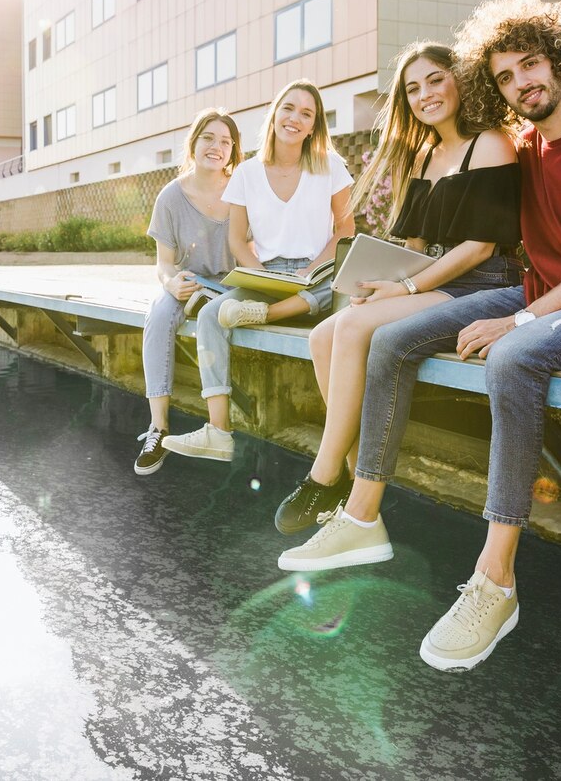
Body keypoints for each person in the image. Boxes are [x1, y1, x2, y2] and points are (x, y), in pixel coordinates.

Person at [280, 0, 561, 673]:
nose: (521, 81)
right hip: (534, 294)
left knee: (511, 358)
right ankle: (363, 515)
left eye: (531, 64)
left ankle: (494, 580)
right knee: (385, 338)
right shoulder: (524, 146)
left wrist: (523, 317)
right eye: (503, 75)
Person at [272, 41, 523, 537]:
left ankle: (322, 478)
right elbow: (415, 244)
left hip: (484, 283)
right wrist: (385, 281)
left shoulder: (491, 143)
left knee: (356, 326)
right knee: (325, 333)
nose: (424, 94)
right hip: (431, 280)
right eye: (412, 88)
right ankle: (343, 474)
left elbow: (479, 247)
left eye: (434, 79)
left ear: (459, 78)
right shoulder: (425, 157)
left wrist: (406, 285)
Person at [161, 80, 355, 463]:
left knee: (339, 289)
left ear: (315, 125)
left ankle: (268, 314)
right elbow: (237, 241)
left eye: (306, 113)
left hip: (320, 268)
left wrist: (312, 270)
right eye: (288, 108)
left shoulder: (330, 165)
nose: (295, 118)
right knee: (213, 314)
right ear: (274, 113)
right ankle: (218, 431)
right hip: (268, 273)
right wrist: (266, 277)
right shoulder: (246, 173)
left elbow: (346, 230)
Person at [134, 109, 243, 476]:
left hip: (232, 286)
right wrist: (170, 283)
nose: (217, 147)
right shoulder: (170, 196)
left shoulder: (243, 188)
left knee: (218, 320)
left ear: (233, 150)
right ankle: (158, 428)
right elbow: (163, 263)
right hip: (189, 283)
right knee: (159, 316)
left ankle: (217, 430)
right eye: (209, 138)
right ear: (193, 144)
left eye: (226, 142)